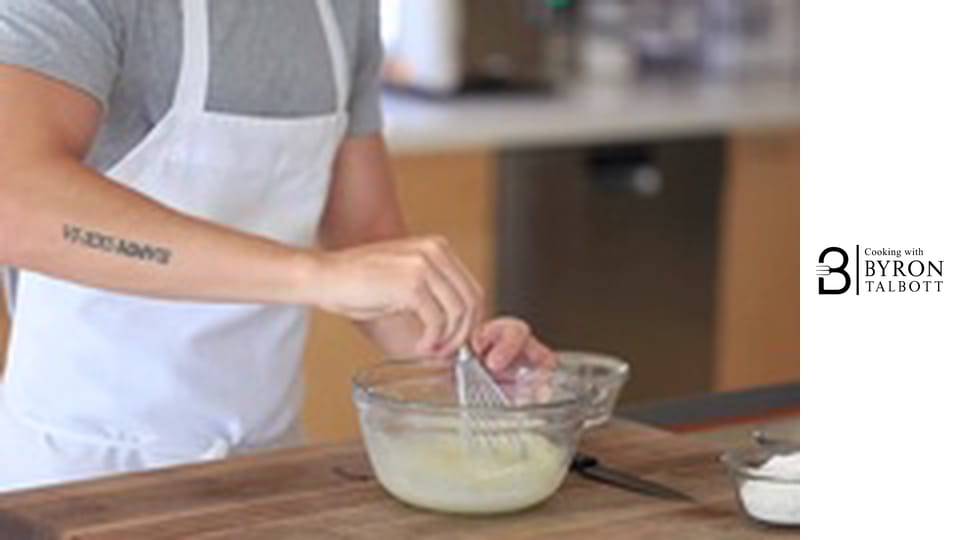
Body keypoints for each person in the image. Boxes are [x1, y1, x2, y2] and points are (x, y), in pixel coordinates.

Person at [0, 0, 552, 492]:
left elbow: (365, 237)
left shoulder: (342, 11)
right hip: (80, 476)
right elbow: (15, 201)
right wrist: (315, 275)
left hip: (266, 472)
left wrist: (464, 362)